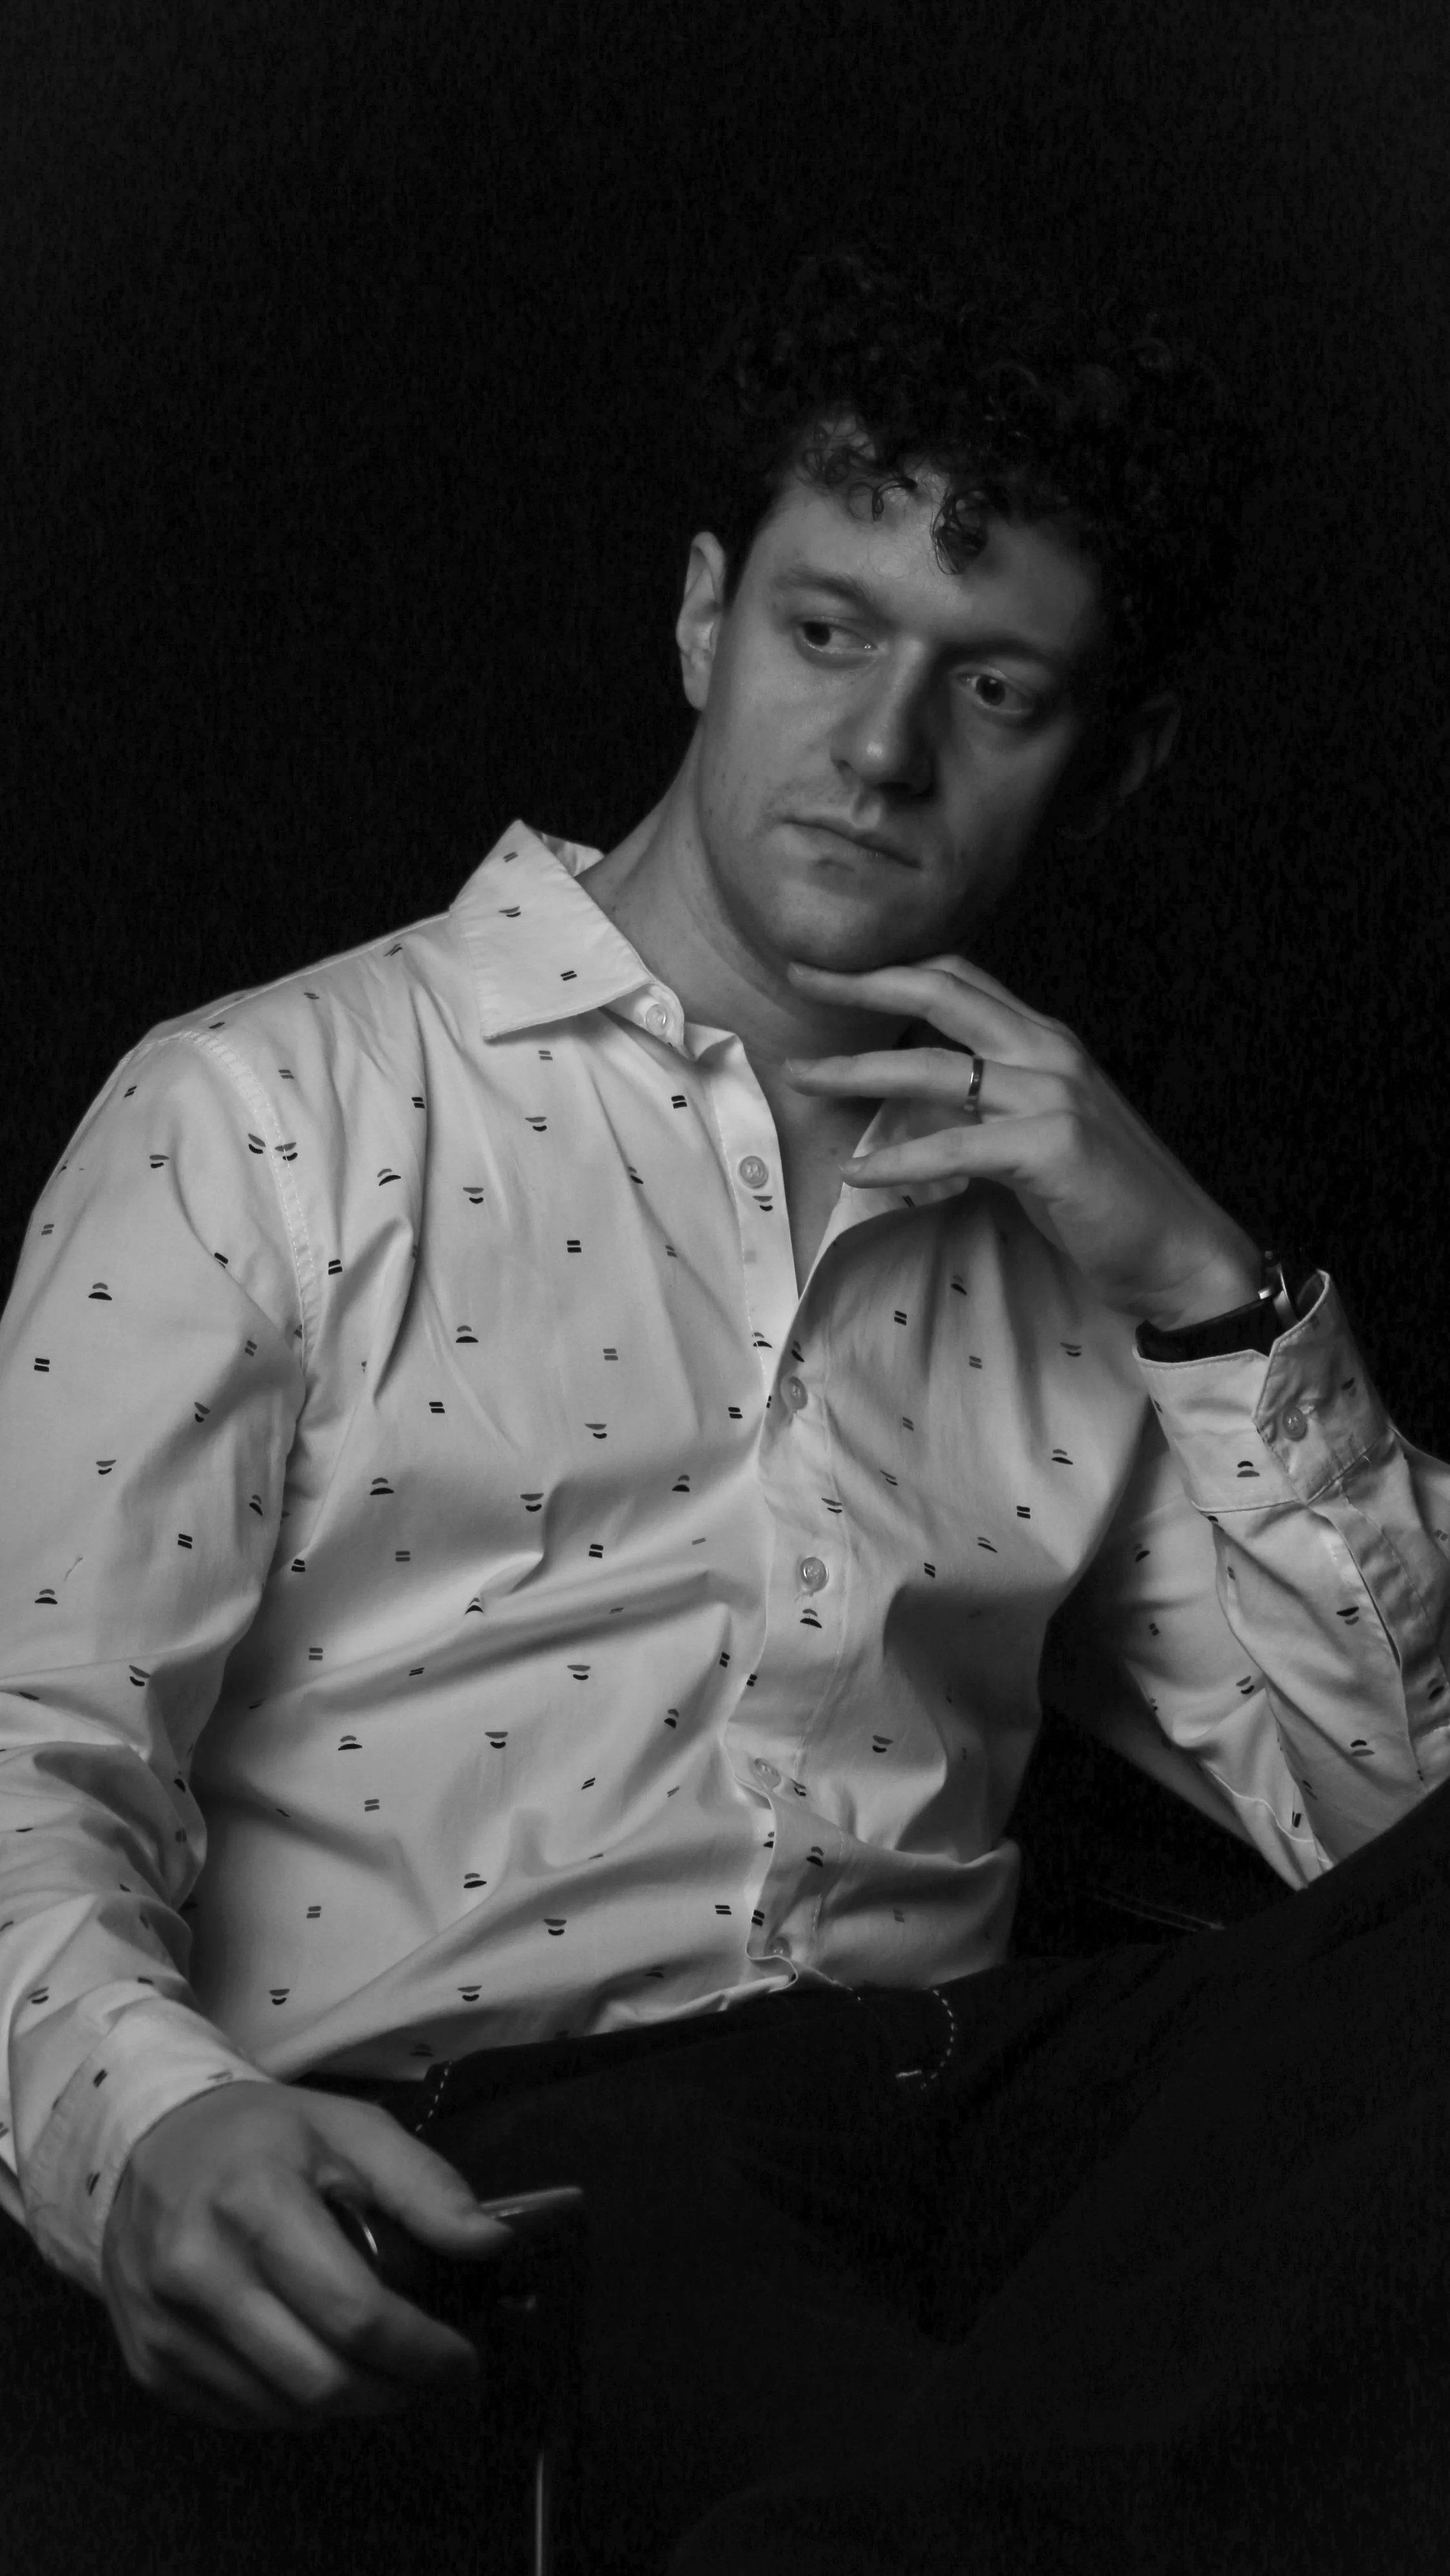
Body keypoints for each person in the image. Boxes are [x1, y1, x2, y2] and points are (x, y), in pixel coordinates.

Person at [1, 244, 1447, 2574]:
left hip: (1000, 2130)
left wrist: (1201, 1281)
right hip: (516, 2151)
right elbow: (20, 1740)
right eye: (826, 631)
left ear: (1118, 757)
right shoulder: (268, 1110)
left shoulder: (1079, 1239)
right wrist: (147, 2126)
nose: (881, 749)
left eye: (993, 687)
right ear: (701, 621)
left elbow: (1393, 1827)